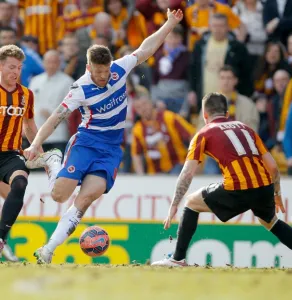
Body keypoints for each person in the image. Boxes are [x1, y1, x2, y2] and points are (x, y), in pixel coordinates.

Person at [24, 8, 184, 264]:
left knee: (84, 199)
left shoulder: (119, 69)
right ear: (89, 68)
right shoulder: (80, 88)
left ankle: (48, 250)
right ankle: (54, 160)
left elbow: (146, 48)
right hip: (86, 143)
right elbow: (55, 118)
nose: (103, 76)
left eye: (105, 70)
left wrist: (169, 23)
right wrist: (35, 144)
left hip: (110, 150)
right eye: (98, 72)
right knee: (59, 196)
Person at [152, 92, 292, 267]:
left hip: (237, 187)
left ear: (205, 115)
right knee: (271, 222)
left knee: (191, 202)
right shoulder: (247, 129)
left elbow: (187, 173)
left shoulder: (204, 133)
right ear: (227, 113)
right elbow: (273, 166)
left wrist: (174, 204)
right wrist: (276, 193)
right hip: (264, 185)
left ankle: (177, 258)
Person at [0, 45, 48, 255]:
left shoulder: (26, 94)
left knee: (20, 183)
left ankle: (1, 238)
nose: (15, 72)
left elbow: (29, 125)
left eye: (19, 68)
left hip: (10, 154)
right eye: (11, 67)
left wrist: (39, 150)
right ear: (0, 66)